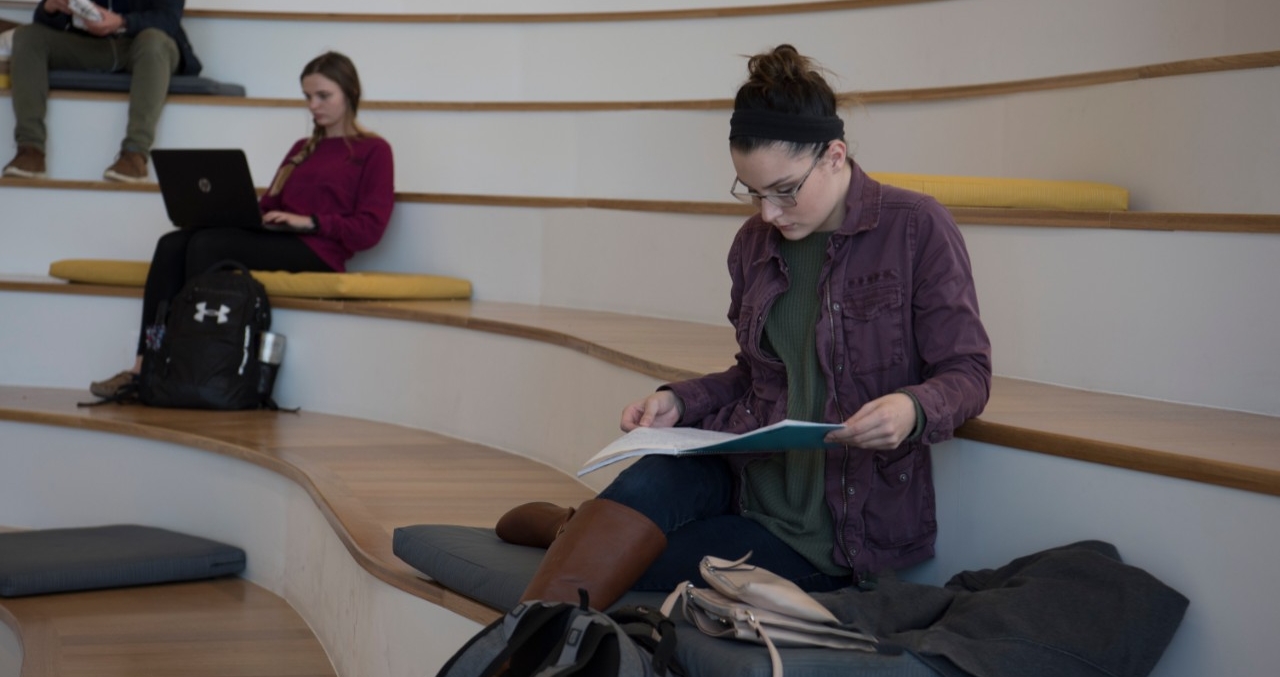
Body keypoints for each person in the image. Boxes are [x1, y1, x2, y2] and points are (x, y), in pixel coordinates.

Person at [496, 45, 992, 611]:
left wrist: (912, 407)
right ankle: (507, 661)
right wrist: (680, 402)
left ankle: (569, 535)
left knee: (630, 562)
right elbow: (753, 375)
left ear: (834, 155)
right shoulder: (754, 246)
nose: (768, 215)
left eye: (784, 191)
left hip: (825, 536)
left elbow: (968, 372)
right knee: (648, 480)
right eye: (753, 193)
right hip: (740, 473)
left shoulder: (916, 228)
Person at [88, 50, 395, 397]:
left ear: (350, 94)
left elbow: (369, 229)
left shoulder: (374, 151)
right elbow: (270, 205)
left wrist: (309, 221)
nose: (313, 105)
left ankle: (180, 363)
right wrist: (239, 212)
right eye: (308, 97)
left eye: (323, 96)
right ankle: (144, 363)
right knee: (172, 243)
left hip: (319, 249)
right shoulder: (302, 148)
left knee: (208, 245)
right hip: (281, 237)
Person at [3, 0, 201, 182]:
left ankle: (135, 154)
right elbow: (44, 22)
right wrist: (51, 8)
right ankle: (30, 151)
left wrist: (122, 21)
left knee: (154, 40)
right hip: (90, 45)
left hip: (142, 44)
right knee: (27, 36)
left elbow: (168, 19)